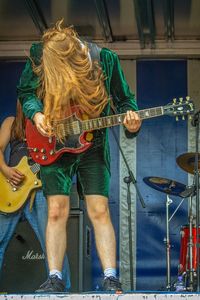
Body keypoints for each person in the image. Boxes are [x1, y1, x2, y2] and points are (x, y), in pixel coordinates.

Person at [17, 20, 141, 293]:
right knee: (56, 210)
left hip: (93, 142)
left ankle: (110, 278)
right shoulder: (40, 53)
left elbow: (125, 102)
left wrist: (132, 122)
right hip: (52, 141)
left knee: (99, 209)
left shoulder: (105, 60)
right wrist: (37, 114)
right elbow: (26, 91)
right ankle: (54, 277)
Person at [0, 100, 70, 292]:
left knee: (52, 241)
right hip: (10, 188)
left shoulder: (49, 125)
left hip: (39, 188)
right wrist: (5, 169)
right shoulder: (11, 122)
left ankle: (62, 289)